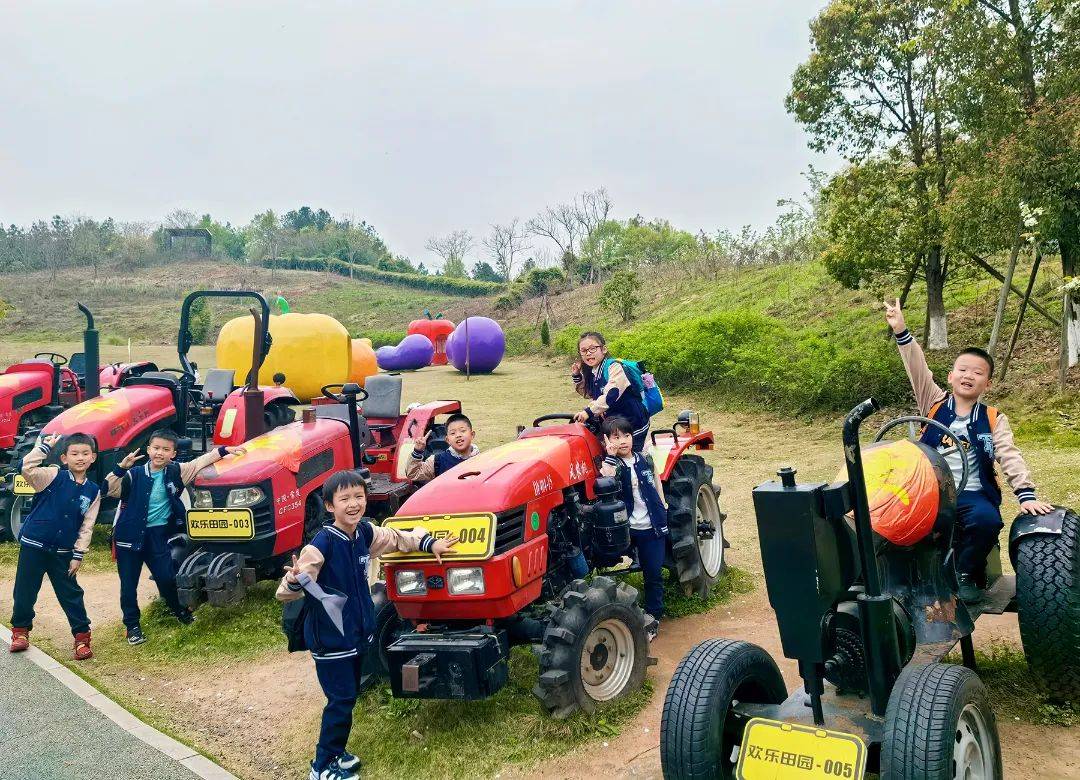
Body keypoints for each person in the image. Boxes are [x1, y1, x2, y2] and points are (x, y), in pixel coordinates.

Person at [277, 469, 457, 780]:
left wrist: (430, 544)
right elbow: (285, 592)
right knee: (341, 700)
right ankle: (322, 767)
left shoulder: (363, 533)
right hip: (331, 639)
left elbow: (397, 538)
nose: (353, 504)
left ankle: (337, 752)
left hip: (358, 634)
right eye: (344, 498)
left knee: (347, 697)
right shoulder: (321, 544)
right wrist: (294, 580)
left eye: (358, 497)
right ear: (330, 506)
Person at [884, 299, 1053, 602]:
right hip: (931, 490)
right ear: (950, 376)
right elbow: (917, 369)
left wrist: (1026, 495)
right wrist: (901, 331)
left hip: (973, 491)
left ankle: (963, 574)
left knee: (987, 520)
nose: (968, 375)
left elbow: (1009, 454)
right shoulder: (933, 403)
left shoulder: (993, 418)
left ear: (986, 384)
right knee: (895, 518)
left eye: (977, 373)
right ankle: (902, 579)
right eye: (962, 369)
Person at [106, 430, 247, 644]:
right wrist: (121, 467)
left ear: (173, 453)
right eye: (155, 448)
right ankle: (132, 626)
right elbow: (108, 489)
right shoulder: (133, 474)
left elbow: (200, 462)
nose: (159, 453)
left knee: (166, 577)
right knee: (128, 584)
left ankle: (178, 611)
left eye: (165, 449)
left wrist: (224, 450)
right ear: (148, 450)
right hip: (128, 536)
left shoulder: (176, 472)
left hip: (157, 535)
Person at [8, 433, 100, 659]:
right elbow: (26, 468)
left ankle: (81, 638)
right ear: (64, 458)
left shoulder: (93, 491)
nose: (80, 458)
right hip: (33, 545)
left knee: (71, 595)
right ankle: (20, 632)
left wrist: (78, 555)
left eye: (85, 453)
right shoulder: (52, 475)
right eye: (74, 453)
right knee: (25, 591)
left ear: (93, 458)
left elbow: (87, 526)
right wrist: (43, 448)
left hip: (63, 552)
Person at [598, 416, 667, 641]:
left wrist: (662, 507)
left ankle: (653, 617)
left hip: (650, 527)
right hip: (627, 529)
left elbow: (656, 482)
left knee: (653, 574)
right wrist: (610, 453)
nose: (623, 441)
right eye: (616, 437)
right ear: (607, 441)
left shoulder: (645, 459)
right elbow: (605, 477)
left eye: (626, 435)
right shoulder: (612, 464)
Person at [571, 331, 650, 452]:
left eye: (592, 348)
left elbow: (611, 395)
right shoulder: (594, 371)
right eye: (584, 350)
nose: (588, 353)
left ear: (604, 349)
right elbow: (590, 394)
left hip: (631, 423)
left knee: (630, 459)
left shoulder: (614, 367)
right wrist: (577, 376)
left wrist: (588, 412)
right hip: (613, 425)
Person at [406, 412, 479, 481]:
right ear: (447, 440)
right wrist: (417, 452)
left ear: (472, 435)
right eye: (453, 433)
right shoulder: (437, 461)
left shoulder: (483, 460)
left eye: (462, 431)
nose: (458, 435)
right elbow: (413, 474)